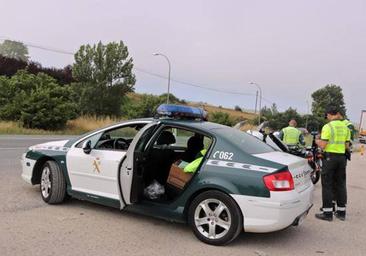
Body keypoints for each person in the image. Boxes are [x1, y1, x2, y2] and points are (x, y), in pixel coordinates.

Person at [315, 106, 351, 221]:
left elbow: (323, 145)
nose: (327, 118)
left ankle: (327, 213)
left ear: (329, 114)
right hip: (342, 158)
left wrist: (317, 140)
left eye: (327, 116)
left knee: (327, 185)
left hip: (330, 158)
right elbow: (346, 146)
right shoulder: (346, 128)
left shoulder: (328, 126)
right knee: (340, 184)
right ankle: (341, 212)